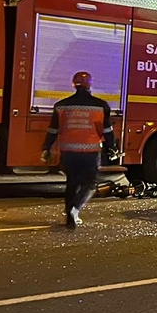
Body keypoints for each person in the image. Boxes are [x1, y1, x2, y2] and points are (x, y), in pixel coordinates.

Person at [42, 71, 115, 228]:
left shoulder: (61, 106)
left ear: (73, 84)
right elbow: (107, 131)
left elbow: (53, 130)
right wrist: (112, 148)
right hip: (90, 152)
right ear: (90, 84)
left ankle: (69, 212)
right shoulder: (101, 106)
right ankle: (75, 210)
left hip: (68, 152)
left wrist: (46, 148)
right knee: (90, 183)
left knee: (72, 182)